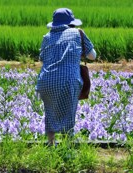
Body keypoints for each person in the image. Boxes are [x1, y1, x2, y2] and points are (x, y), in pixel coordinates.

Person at [36, 8, 96, 146]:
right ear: (71, 23)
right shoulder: (77, 33)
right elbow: (92, 56)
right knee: (69, 113)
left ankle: (51, 144)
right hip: (68, 80)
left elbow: (42, 59)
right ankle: (67, 147)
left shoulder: (46, 37)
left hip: (45, 82)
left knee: (50, 113)